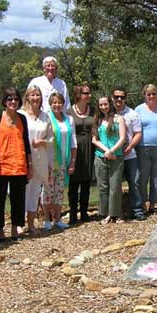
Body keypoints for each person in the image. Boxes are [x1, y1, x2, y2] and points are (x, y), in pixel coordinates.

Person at [0, 88, 32, 241]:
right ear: (4, 101)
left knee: (18, 199)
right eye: (9, 99)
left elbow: (26, 142)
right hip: (1, 166)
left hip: (19, 165)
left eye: (15, 99)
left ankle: (16, 228)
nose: (13, 102)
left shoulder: (22, 118)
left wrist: (30, 164)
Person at [19, 85, 50, 234]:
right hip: (22, 159)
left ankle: (31, 224)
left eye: (38, 95)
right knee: (21, 191)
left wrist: (42, 142)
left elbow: (51, 138)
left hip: (40, 158)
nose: (35, 98)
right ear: (27, 97)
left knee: (35, 191)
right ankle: (19, 224)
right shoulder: (20, 114)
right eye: (32, 95)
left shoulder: (45, 116)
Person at [43, 92, 77, 229]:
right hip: (49, 161)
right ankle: (46, 219)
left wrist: (73, 162)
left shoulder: (69, 119)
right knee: (47, 191)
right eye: (54, 103)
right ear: (50, 104)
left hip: (64, 160)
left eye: (59, 102)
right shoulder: (46, 118)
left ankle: (57, 219)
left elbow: (73, 142)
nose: (57, 105)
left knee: (59, 191)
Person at [135, 84, 157, 214]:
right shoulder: (139, 109)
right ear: (144, 95)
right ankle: (142, 204)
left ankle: (153, 205)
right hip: (143, 148)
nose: (151, 96)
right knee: (143, 177)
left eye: (153, 94)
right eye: (148, 94)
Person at [92, 95, 127, 224]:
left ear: (110, 104)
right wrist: (106, 150)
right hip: (101, 156)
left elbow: (122, 138)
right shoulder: (98, 119)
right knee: (103, 187)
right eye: (101, 105)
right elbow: (94, 139)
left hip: (116, 156)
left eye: (105, 104)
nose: (103, 107)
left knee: (115, 186)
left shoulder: (119, 119)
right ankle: (105, 213)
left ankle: (116, 213)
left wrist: (112, 151)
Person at [113, 87, 145, 221]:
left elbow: (138, 133)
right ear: (112, 98)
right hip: (114, 155)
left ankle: (137, 210)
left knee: (135, 182)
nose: (119, 99)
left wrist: (131, 146)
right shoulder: (108, 114)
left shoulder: (132, 114)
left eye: (122, 97)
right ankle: (116, 211)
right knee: (115, 184)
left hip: (130, 153)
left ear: (125, 98)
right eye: (116, 97)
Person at [67, 84, 95, 224]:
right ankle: (73, 213)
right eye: (86, 93)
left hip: (90, 148)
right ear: (78, 95)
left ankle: (84, 212)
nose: (89, 95)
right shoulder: (69, 112)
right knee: (73, 182)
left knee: (86, 181)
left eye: (89, 93)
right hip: (75, 148)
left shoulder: (93, 111)